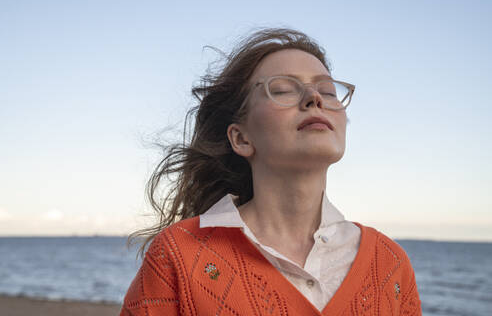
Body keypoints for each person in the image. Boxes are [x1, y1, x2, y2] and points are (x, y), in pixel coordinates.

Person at [119, 27, 422, 315]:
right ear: (241, 138)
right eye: (283, 89)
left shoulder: (390, 264)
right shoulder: (177, 255)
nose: (314, 98)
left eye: (328, 92)